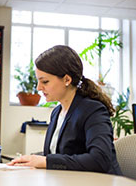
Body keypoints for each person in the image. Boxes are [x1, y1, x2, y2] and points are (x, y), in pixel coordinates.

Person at [8, 45, 122, 175]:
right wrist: (29, 160)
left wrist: (45, 162)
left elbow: (100, 159)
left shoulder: (93, 110)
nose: (39, 88)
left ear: (67, 79)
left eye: (45, 82)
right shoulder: (56, 113)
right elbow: (57, 155)